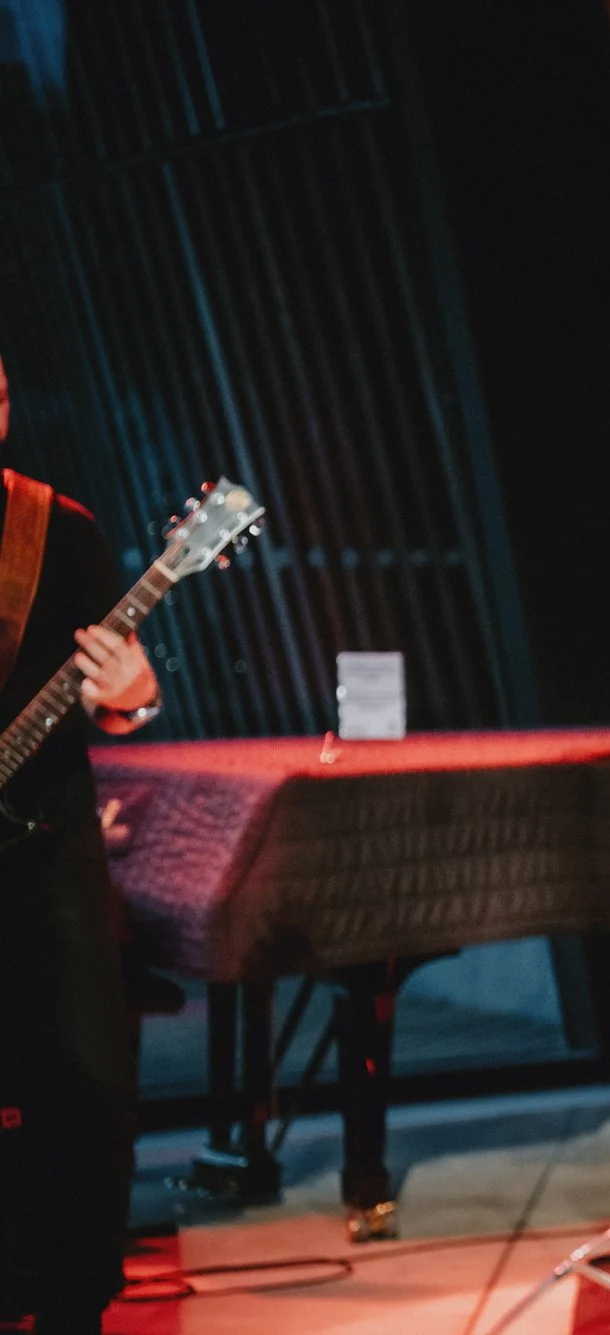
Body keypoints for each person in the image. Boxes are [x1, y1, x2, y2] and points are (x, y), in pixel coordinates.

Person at [0, 353, 162, 1335]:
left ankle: (72, 1306)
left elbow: (121, 700)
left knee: (85, 1092)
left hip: (45, 851)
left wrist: (133, 697)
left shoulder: (54, 528)